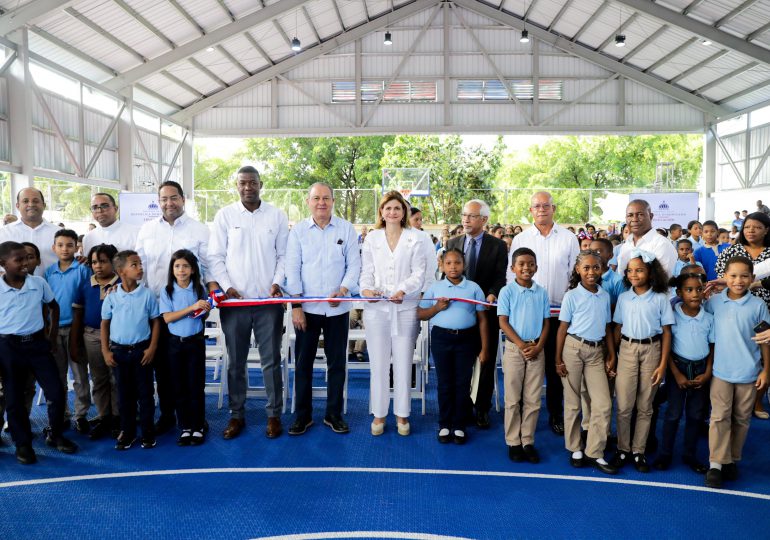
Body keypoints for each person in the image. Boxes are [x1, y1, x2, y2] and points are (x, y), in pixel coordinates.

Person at [208, 166, 289, 440]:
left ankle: (273, 415)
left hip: (268, 303)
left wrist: (277, 283)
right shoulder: (225, 216)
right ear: (236, 186)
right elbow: (215, 256)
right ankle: (236, 415)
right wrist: (227, 287)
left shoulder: (276, 216)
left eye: (252, 182)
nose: (247, 187)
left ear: (261, 184)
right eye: (242, 183)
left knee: (271, 362)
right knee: (236, 362)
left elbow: (283, 256)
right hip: (234, 304)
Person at [135, 180, 211, 435]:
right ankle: (169, 415)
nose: (169, 203)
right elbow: (140, 267)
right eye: (164, 199)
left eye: (174, 198)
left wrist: (209, 299)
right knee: (163, 370)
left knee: (191, 373)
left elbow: (208, 266)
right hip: (156, 311)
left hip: (190, 311)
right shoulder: (146, 229)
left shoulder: (199, 230)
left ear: (183, 199)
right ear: (159, 201)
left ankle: (196, 419)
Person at [285, 183, 360, 436]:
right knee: (303, 363)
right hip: (305, 310)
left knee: (337, 364)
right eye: (316, 198)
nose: (321, 202)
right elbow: (292, 269)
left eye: (326, 198)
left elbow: (354, 266)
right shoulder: (297, 233)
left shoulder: (346, 229)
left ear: (333, 201)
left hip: (338, 311)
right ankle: (302, 416)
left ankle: (333, 414)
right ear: (308, 202)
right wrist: (296, 305)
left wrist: (344, 288)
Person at [509, 192, 580, 435]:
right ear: (531, 210)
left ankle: (556, 414)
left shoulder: (569, 238)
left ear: (554, 208)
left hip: (560, 313)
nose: (541, 209)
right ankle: (520, 416)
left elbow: (575, 275)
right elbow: (512, 277)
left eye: (546, 205)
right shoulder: (521, 238)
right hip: (527, 314)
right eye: (537, 206)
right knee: (525, 366)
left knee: (555, 364)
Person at [0, 241, 77, 464]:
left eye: (27, 258)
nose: (25, 263)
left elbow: (53, 306)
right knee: (14, 399)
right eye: (19, 259)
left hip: (37, 345)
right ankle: (22, 443)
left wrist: (51, 337)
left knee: (56, 392)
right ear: (3, 263)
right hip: (8, 347)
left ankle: (55, 434)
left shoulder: (38, 283)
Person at [360, 191, 425, 436]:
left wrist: (402, 290)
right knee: (378, 364)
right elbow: (366, 270)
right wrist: (366, 288)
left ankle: (402, 415)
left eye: (397, 208)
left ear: (404, 212)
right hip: (376, 310)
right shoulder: (372, 238)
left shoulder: (414, 238)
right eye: (388, 208)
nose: (393, 212)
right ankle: (379, 414)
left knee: (402, 362)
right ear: (381, 212)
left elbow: (418, 273)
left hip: (405, 308)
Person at [705, 256, 770, 488]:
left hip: (749, 373)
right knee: (719, 417)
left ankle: (732, 459)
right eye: (733, 275)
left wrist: (766, 371)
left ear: (752, 278)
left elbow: (764, 341)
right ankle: (716, 463)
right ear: (725, 277)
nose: (738, 280)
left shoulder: (758, 306)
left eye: (744, 276)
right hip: (721, 372)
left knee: (741, 419)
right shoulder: (714, 302)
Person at [610, 250, 674, 472]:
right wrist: (612, 355)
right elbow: (617, 327)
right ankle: (622, 449)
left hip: (652, 350)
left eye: (639, 270)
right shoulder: (624, 297)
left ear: (650, 272)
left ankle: (639, 451)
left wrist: (663, 364)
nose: (634, 274)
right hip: (627, 350)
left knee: (646, 405)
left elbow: (667, 332)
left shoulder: (660, 298)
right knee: (625, 404)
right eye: (630, 271)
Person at [446, 199, 507, 429]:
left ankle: (482, 408)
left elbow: (501, 277)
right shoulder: (453, 242)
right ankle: (459, 406)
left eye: (471, 216)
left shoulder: (498, 246)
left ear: (484, 219)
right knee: (460, 362)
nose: (465, 219)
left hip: (487, 313)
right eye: (464, 215)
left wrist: (492, 293)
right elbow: (447, 276)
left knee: (486, 360)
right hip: (458, 313)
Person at [556, 250, 617, 475]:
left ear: (602, 269)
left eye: (596, 267)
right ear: (578, 270)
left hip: (596, 351)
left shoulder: (604, 295)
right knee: (573, 402)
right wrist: (557, 358)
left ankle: (595, 451)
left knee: (602, 403)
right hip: (572, 348)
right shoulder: (571, 295)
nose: (591, 272)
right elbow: (562, 329)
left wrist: (612, 354)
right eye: (586, 268)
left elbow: (608, 327)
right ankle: (575, 448)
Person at [418, 248, 488, 445]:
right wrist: (436, 308)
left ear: (463, 265)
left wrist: (484, 348)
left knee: (462, 383)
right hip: (441, 338)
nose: (453, 267)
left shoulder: (474, 288)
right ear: (442, 265)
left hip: (467, 340)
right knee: (444, 383)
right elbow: (420, 314)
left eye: (457, 262)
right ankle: (444, 424)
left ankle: (459, 425)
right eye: (448, 263)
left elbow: (483, 319)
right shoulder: (435, 288)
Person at [652, 271, 713, 474]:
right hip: (677, 369)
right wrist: (676, 374)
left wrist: (707, 374)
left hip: (701, 372)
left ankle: (690, 455)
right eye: (688, 290)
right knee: (673, 414)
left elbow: (713, 347)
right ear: (679, 292)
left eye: (698, 289)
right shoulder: (673, 315)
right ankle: (664, 454)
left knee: (696, 415)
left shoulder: (708, 318)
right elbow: (666, 347)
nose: (695, 294)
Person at [101, 250, 161, 450]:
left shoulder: (147, 294)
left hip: (141, 351)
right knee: (124, 395)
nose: (140, 268)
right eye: (134, 265)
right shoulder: (112, 296)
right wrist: (106, 351)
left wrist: (152, 348)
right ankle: (127, 432)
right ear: (121, 271)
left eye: (140, 264)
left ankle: (147, 432)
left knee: (145, 394)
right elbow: (105, 324)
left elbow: (155, 322)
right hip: (118, 352)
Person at [714, 211, 770, 419]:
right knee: (739, 349)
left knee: (763, 354)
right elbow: (721, 276)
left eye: (756, 227)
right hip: (735, 307)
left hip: (764, 309)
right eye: (747, 227)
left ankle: (756, 401)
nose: (751, 230)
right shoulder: (733, 249)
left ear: (766, 230)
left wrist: (757, 284)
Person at [497, 247, 550, 463]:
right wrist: (521, 345)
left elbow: (547, 323)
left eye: (530, 264)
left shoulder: (542, 292)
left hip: (537, 349)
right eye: (521, 264)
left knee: (533, 398)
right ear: (513, 268)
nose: (526, 268)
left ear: (536, 268)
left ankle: (527, 440)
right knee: (512, 398)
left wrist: (538, 347)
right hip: (513, 350)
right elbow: (503, 321)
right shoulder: (507, 292)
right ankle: (513, 441)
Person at [159, 249, 210, 446]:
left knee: (196, 386)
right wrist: (192, 308)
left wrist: (203, 308)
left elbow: (203, 315)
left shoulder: (199, 290)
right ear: (172, 270)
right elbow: (167, 318)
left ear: (193, 270)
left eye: (186, 266)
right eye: (177, 266)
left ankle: (197, 426)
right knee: (178, 386)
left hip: (195, 343)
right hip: (174, 344)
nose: (181, 270)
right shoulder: (167, 291)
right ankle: (185, 426)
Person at [70, 243, 120, 440]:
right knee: (99, 378)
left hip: (116, 337)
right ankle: (103, 416)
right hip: (90, 335)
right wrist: (74, 341)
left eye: (103, 261)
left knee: (116, 378)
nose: (98, 266)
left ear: (114, 262)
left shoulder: (121, 285)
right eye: (93, 262)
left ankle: (118, 417)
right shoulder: (85, 285)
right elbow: (78, 313)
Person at [44, 229, 91, 433]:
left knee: (80, 375)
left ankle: (81, 415)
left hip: (76, 329)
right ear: (54, 248)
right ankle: (61, 414)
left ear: (76, 247)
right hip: (54, 330)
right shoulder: (48, 272)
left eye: (69, 245)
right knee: (58, 376)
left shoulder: (82, 269)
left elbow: (85, 298)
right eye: (60, 245)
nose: (65, 249)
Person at [0, 188, 59, 274]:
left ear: (44, 205)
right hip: (12, 287)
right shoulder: (3, 233)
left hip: (52, 286)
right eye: (25, 201)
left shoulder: (58, 233)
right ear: (17, 206)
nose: (31, 204)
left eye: (36, 201)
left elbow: (71, 261)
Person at [617, 200, 677, 278]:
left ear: (651, 216)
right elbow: (621, 276)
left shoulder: (662, 244)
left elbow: (662, 280)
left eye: (640, 214)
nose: (634, 219)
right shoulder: (626, 245)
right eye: (630, 215)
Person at [409, 206, 438, 293]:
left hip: (423, 286)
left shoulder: (424, 236)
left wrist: (426, 288)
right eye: (416, 219)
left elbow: (431, 263)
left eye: (421, 220)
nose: (419, 223)